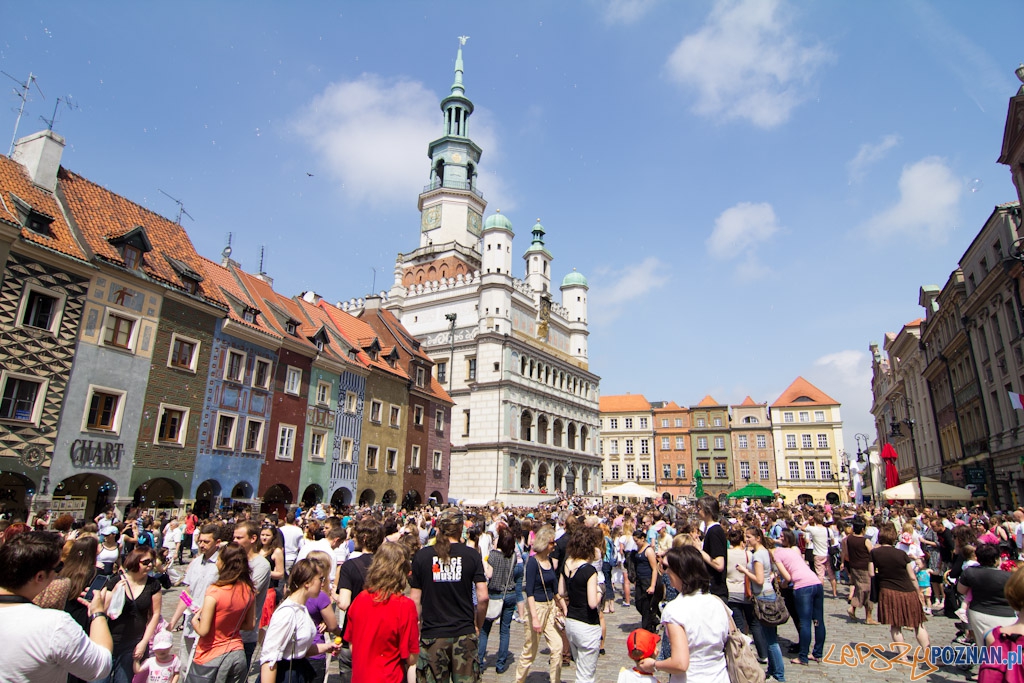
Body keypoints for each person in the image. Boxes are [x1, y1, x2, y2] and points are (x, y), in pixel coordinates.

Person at [0, 531, 114, 683]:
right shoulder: (54, 625)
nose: (60, 573)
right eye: (59, 567)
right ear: (39, 576)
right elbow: (100, 666)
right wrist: (98, 614)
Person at [409, 507, 488, 683]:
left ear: (439, 528)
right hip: (464, 633)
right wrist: (478, 624)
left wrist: (417, 625)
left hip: (432, 634)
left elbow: (414, 600)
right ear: (461, 528)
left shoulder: (423, 556)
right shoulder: (471, 555)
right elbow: (483, 597)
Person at [634, 546, 730, 683]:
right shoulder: (717, 603)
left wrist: (654, 664)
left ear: (680, 572)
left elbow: (680, 664)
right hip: (720, 677)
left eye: (667, 567)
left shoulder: (675, 610)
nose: (665, 572)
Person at [345, 541, 420, 683]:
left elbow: (352, 644)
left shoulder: (360, 599)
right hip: (389, 677)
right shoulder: (405, 606)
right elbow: (411, 657)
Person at [260, 559, 339, 683]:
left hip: (299, 672)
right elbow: (269, 658)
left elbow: (298, 648)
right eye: (321, 579)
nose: (323, 584)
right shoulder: (287, 613)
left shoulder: (301, 608)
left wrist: (326, 647)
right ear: (307, 583)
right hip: (285, 675)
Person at [190, 542, 255, 683]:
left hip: (211, 655)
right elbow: (250, 625)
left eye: (219, 560)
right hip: (237, 652)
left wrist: (194, 621)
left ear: (225, 563)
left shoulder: (215, 590)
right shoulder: (249, 589)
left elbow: (203, 630)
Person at [101, 546, 163, 683]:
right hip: (109, 640)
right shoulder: (116, 580)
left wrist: (144, 642)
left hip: (133, 643)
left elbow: (155, 615)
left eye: (152, 561)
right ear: (135, 562)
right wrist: (114, 592)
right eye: (146, 562)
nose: (150, 565)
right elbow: (102, 611)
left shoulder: (153, 585)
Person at [335, 517, 384, 682]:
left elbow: (344, 603)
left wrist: (331, 594)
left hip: (355, 633)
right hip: (381, 632)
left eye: (355, 536)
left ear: (364, 538)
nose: (352, 539)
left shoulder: (349, 566)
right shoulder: (386, 566)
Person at [871, 523, 930, 658]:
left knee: (896, 625)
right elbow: (912, 577)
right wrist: (919, 593)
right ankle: (929, 655)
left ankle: (902, 656)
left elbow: (871, 572)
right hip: (907, 590)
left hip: (888, 590)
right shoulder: (901, 554)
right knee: (918, 624)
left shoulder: (875, 553)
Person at [514, 524, 563, 683]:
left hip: (550, 608)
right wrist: (534, 617)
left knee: (558, 647)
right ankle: (519, 680)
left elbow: (554, 588)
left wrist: (562, 604)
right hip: (537, 608)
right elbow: (529, 592)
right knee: (530, 651)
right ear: (543, 543)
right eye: (551, 542)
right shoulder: (533, 562)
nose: (554, 544)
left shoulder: (549, 560)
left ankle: (555, 680)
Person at [737, 526, 784, 682]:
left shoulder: (757, 555)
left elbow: (759, 580)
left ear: (758, 538)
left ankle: (779, 675)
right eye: (746, 536)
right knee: (769, 636)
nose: (746, 539)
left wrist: (744, 571)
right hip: (768, 594)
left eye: (749, 536)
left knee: (770, 640)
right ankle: (773, 669)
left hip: (763, 596)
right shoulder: (765, 551)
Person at [169, 524, 220, 670]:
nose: (202, 545)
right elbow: (187, 592)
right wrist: (174, 620)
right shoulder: (196, 562)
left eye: (206, 542)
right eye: (200, 541)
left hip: (209, 622)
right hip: (190, 620)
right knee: (185, 664)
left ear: (217, 542)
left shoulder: (221, 564)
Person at [773, 529, 824, 665]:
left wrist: (783, 584)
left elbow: (788, 577)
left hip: (802, 586)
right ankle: (817, 653)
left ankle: (803, 656)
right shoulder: (793, 550)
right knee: (818, 621)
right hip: (816, 582)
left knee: (805, 622)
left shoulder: (777, 553)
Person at [558, 527, 602, 683]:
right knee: (586, 675)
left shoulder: (567, 563)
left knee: (580, 668)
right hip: (587, 624)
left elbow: (561, 591)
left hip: (571, 622)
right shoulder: (589, 570)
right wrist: (599, 593)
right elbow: (592, 603)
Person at [959, 543, 1017, 647]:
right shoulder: (1009, 576)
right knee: (1006, 647)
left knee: (984, 646)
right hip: (1007, 615)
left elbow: (961, 590)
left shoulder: (970, 572)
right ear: (996, 559)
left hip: (979, 612)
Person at [478, 524, 518, 674]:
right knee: (505, 630)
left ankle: (480, 661)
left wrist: (484, 562)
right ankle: (500, 664)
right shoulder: (513, 555)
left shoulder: (493, 555)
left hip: (495, 594)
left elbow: (489, 575)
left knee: (484, 630)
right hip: (510, 594)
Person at [726, 526, 767, 665]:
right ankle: (763, 654)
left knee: (739, 626)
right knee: (754, 624)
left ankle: (744, 654)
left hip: (731, 591)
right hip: (746, 592)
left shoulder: (726, 554)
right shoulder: (748, 554)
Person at [234, 521, 272, 667]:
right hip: (225, 632)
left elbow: (247, 594)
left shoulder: (261, 565)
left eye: (239, 538)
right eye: (234, 537)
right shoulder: (234, 560)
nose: (235, 541)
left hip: (244, 634)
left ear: (252, 538)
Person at [303, 551, 341, 683]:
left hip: (296, 650)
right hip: (315, 649)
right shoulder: (321, 596)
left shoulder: (293, 590)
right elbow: (333, 626)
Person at [841, 518, 877, 624]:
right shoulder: (865, 541)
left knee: (859, 588)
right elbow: (872, 553)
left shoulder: (849, 539)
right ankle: (866, 615)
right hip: (865, 567)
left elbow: (846, 552)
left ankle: (856, 609)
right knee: (868, 591)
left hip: (854, 566)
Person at [697, 498, 728, 602]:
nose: (698, 511)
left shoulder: (714, 531)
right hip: (712, 588)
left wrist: (700, 551)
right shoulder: (711, 530)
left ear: (708, 511)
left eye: (700, 508)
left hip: (716, 589)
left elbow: (719, 565)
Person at [633, 528, 661, 633]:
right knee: (638, 603)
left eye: (637, 540)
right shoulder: (638, 550)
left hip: (647, 579)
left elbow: (654, 569)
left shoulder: (648, 550)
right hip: (639, 580)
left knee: (645, 605)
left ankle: (647, 628)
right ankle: (654, 619)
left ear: (643, 539)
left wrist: (652, 585)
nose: (636, 543)